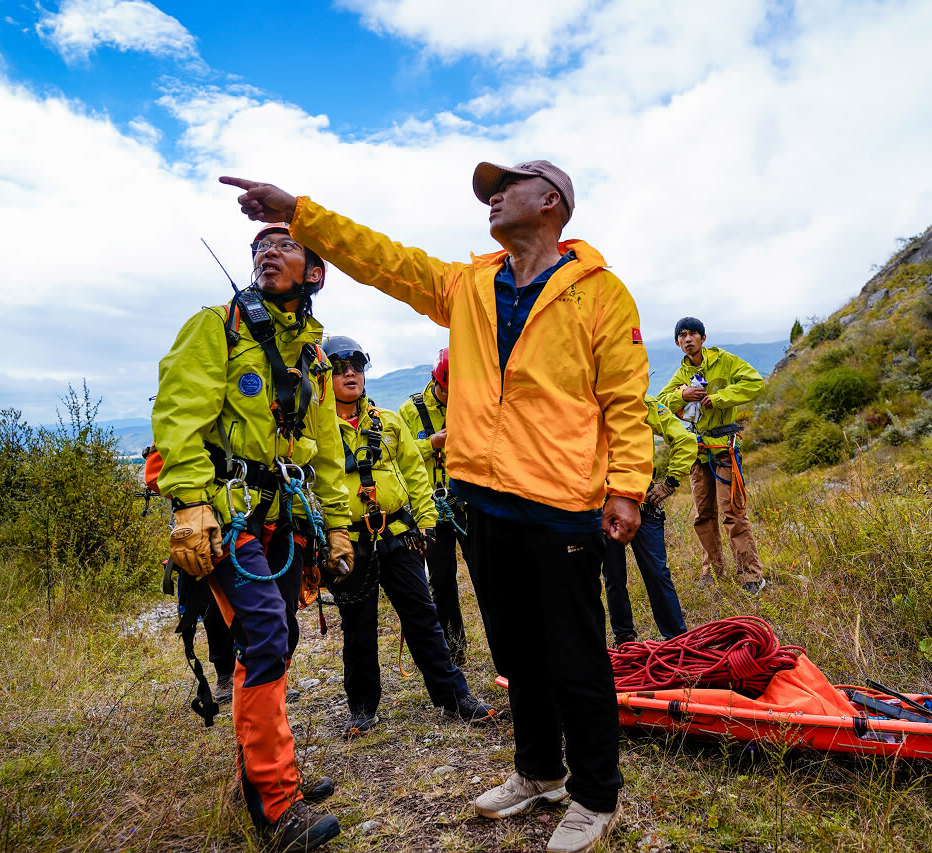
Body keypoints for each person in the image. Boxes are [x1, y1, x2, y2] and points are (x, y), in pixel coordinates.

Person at [221, 158, 653, 853]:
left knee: (574, 654)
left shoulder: (601, 294)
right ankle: (539, 771)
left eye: (503, 187)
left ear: (550, 201)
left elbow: (627, 402)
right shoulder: (469, 284)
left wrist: (628, 486)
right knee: (515, 649)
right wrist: (298, 212)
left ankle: (596, 793)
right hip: (484, 499)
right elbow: (382, 259)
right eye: (488, 191)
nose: (490, 197)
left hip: (563, 501)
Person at [152, 223, 355, 851]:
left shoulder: (314, 358)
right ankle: (276, 805)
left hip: (284, 517)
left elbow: (323, 448)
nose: (268, 251)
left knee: (281, 635)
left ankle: (264, 773)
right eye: (260, 247)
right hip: (227, 512)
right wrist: (189, 505)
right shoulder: (218, 326)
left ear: (314, 274)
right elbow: (179, 413)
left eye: (285, 245)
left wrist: (338, 525)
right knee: (265, 637)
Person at [321, 334, 498, 735]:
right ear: (324, 377)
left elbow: (416, 476)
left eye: (357, 367)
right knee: (358, 626)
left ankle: (454, 696)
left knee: (423, 616)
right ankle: (363, 708)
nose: (350, 374)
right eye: (339, 368)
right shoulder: (315, 431)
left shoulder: (389, 422)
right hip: (347, 541)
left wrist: (427, 521)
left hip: (399, 535)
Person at [657, 317, 767, 594]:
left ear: (703, 338)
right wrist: (683, 394)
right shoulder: (682, 373)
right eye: (682, 335)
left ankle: (750, 575)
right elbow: (660, 401)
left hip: (724, 450)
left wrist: (719, 398)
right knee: (703, 515)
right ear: (677, 342)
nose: (688, 339)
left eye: (693, 333)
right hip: (698, 452)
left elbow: (755, 383)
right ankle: (712, 572)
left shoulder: (725, 361)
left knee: (733, 514)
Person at [602, 394, 694, 647]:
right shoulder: (638, 402)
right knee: (632, 573)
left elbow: (685, 440)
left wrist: (670, 482)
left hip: (625, 501)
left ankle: (672, 639)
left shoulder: (644, 404)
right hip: (621, 499)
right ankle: (634, 639)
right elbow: (685, 439)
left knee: (623, 574)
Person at [397, 347, 470, 665]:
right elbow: (398, 454)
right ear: (433, 381)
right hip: (433, 508)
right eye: (444, 390)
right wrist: (432, 444)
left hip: (468, 506)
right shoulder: (409, 411)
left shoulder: (468, 402)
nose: (448, 397)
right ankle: (455, 648)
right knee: (441, 579)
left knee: (488, 574)